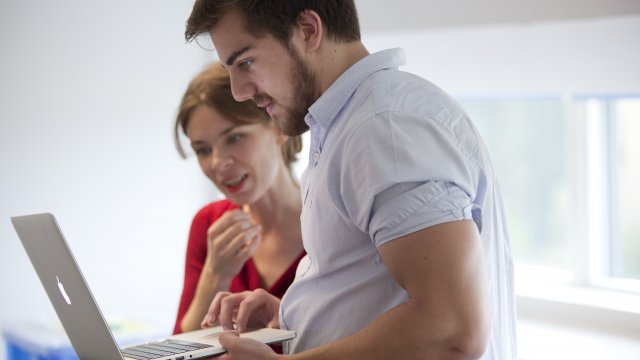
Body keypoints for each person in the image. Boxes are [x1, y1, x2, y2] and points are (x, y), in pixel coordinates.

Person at [185, 1, 517, 359]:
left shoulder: (384, 128)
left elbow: (450, 329)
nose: (239, 91)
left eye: (245, 62)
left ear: (309, 30)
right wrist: (294, 312)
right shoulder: (348, 125)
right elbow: (381, 291)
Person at [172, 62, 306, 335]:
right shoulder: (208, 223)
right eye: (203, 150)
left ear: (278, 127)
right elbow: (180, 347)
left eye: (234, 138)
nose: (218, 163)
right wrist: (215, 275)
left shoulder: (333, 220)